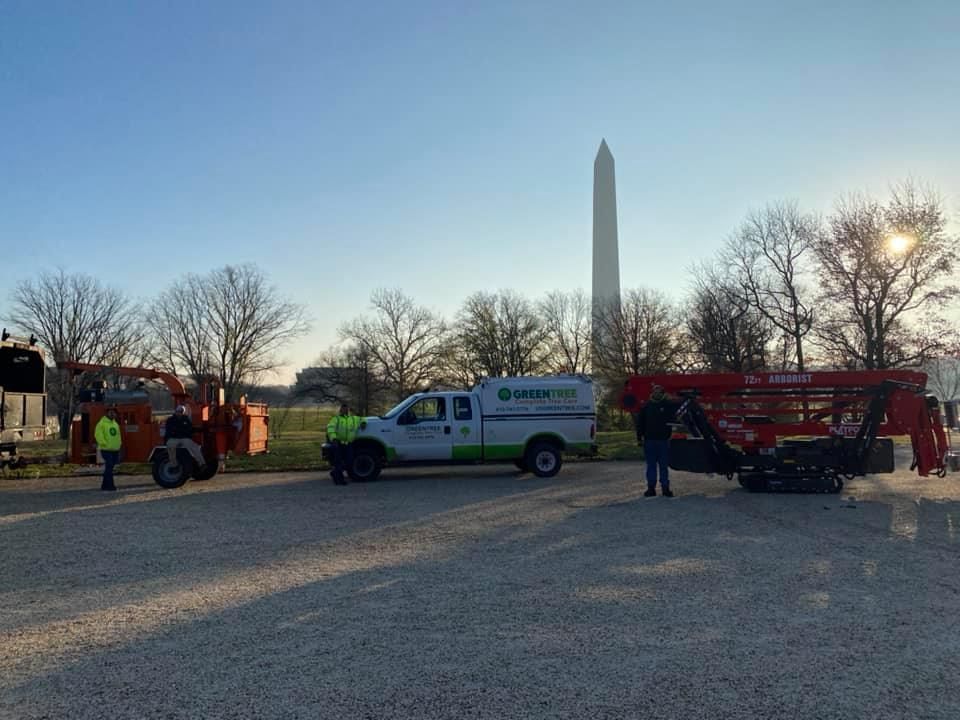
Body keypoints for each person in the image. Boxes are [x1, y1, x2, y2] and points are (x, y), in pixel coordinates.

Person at [635, 384, 680, 497]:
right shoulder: (646, 406)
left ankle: (665, 488)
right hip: (649, 440)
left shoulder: (668, 405)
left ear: (663, 393)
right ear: (652, 393)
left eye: (659, 391)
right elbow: (640, 423)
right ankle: (651, 488)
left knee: (663, 466)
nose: (657, 393)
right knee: (651, 465)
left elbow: (678, 410)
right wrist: (639, 437)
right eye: (655, 391)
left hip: (663, 440)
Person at [326, 403, 363, 485]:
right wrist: (333, 438)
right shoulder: (336, 419)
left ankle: (334, 472)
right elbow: (330, 428)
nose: (345, 411)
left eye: (346, 409)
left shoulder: (353, 419)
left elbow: (361, 419)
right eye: (343, 409)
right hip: (338, 443)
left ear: (348, 410)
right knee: (338, 462)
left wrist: (363, 423)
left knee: (349, 461)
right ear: (340, 410)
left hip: (348, 444)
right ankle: (340, 480)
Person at [164, 404, 206, 473]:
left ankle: (202, 464)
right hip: (174, 438)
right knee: (170, 445)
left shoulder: (186, 419)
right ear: (176, 411)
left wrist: (200, 430)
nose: (180, 413)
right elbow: (170, 430)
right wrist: (182, 431)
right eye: (178, 411)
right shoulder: (170, 420)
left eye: (181, 411)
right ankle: (174, 465)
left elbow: (190, 429)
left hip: (184, 438)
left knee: (194, 447)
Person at [94, 406, 122, 491]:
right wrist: (104, 443)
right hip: (106, 450)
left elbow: (118, 435)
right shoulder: (101, 423)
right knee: (109, 468)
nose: (112, 414)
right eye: (110, 412)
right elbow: (97, 435)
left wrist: (119, 443)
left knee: (109, 468)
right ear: (107, 413)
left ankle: (104, 486)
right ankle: (110, 486)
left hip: (115, 449)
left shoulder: (115, 424)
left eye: (114, 412)